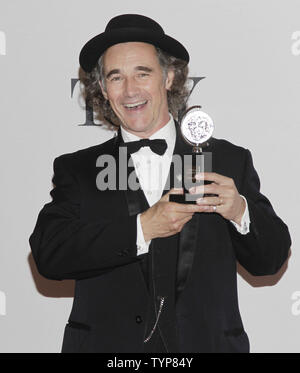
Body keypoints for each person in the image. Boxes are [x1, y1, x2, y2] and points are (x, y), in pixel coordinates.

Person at [29, 14, 291, 353]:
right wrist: (142, 228)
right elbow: (49, 255)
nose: (130, 90)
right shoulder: (79, 169)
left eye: (142, 73)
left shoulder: (227, 160)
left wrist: (240, 210)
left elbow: (270, 258)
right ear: (103, 89)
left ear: (168, 78)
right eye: (116, 77)